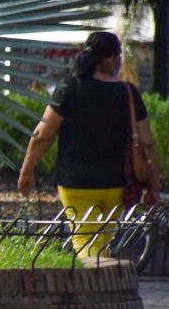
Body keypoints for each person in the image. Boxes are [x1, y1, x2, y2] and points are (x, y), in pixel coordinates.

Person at [18, 30, 160, 257]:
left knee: (87, 244)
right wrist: (154, 183)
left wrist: (27, 170)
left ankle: (94, 288)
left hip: (76, 184)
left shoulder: (70, 88)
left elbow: (43, 134)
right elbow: (147, 142)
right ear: (111, 58)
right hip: (116, 184)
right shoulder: (128, 92)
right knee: (101, 244)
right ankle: (106, 287)